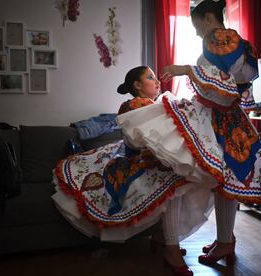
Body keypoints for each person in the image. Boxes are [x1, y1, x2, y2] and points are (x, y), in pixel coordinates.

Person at [118, 0, 261, 268]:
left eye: (196, 26)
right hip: (226, 118)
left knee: (198, 176)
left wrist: (185, 70)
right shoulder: (231, 40)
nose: (196, 33)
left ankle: (213, 241)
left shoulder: (220, 37)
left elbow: (224, 82)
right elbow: (234, 80)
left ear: (208, 18)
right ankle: (224, 240)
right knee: (224, 180)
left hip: (216, 118)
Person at [53, 66, 213, 276]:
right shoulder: (131, 106)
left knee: (187, 174)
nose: (157, 82)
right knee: (174, 181)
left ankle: (162, 238)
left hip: (152, 160)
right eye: (150, 78)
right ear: (137, 85)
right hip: (135, 162)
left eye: (156, 78)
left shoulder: (155, 104)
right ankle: (171, 249)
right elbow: (141, 142)